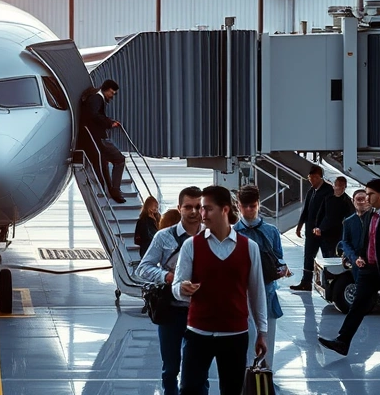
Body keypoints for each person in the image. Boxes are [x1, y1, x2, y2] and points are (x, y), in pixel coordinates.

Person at [171, 185, 267, 395]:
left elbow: (257, 292)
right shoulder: (191, 245)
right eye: (200, 208)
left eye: (207, 208)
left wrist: (262, 331)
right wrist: (182, 289)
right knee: (188, 388)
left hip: (235, 334)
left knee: (231, 390)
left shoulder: (249, 247)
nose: (201, 213)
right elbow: (176, 287)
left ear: (225, 210)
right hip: (198, 333)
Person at [319, 178, 380, 360]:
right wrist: (360, 257)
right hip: (368, 270)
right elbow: (366, 240)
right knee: (357, 306)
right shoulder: (369, 215)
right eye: (366, 194)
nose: (367, 198)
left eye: (371, 194)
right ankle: (342, 342)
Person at [134, 186, 205, 395]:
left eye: (198, 207)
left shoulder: (211, 236)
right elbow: (143, 268)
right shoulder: (164, 237)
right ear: (179, 208)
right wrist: (168, 277)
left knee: (199, 371)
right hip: (171, 312)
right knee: (171, 368)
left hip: (201, 313)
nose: (193, 212)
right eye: (188, 207)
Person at [234, 184, 291, 365]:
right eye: (245, 206)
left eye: (253, 206)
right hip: (242, 295)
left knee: (268, 342)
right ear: (238, 206)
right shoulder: (232, 233)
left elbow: (278, 258)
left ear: (258, 204)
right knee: (244, 342)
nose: (249, 210)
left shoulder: (271, 231)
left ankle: (266, 377)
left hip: (267, 292)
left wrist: (282, 269)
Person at [80, 79, 127, 203]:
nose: (112, 96)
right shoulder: (97, 99)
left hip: (95, 137)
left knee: (106, 162)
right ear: (106, 89)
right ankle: (114, 190)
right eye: (112, 93)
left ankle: (112, 190)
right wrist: (109, 123)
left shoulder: (94, 98)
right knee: (119, 159)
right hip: (97, 137)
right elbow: (94, 115)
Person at [290, 164, 334, 291]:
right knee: (308, 256)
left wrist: (322, 228)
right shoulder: (311, 191)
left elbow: (329, 214)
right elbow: (306, 210)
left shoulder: (329, 191)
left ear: (320, 177)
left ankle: (329, 283)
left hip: (324, 232)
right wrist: (299, 226)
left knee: (327, 257)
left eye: (314, 178)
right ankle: (306, 282)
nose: (311, 180)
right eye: (310, 178)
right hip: (310, 231)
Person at [314, 176, 352, 258]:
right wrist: (317, 227)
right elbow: (321, 213)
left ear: (345, 187)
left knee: (335, 253)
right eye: (338, 186)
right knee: (325, 253)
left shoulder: (347, 201)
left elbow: (350, 218)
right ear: (333, 186)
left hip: (338, 232)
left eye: (342, 187)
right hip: (325, 230)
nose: (339, 189)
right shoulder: (328, 198)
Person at [338, 189, 371, 282]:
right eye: (358, 199)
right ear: (353, 201)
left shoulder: (373, 219)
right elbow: (345, 242)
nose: (361, 202)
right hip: (356, 262)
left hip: (371, 261)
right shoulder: (348, 221)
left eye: (363, 199)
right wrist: (354, 258)